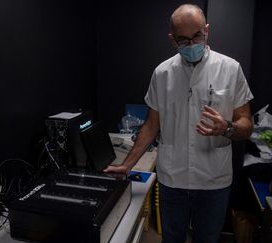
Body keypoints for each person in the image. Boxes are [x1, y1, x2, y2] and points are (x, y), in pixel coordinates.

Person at [104, 4, 254, 243]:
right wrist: (127, 164)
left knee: (207, 238)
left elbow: (247, 124)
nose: (192, 44)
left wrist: (227, 127)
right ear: (172, 39)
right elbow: (151, 126)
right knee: (171, 238)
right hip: (172, 179)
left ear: (207, 30)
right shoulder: (162, 73)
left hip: (213, 180)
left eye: (197, 36)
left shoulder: (230, 68)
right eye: (183, 40)